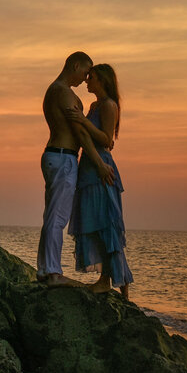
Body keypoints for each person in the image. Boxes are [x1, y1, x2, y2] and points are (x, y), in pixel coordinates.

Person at [38, 52, 114, 286]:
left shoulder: (53, 90)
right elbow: (80, 133)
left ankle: (45, 270)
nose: (85, 79)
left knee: (51, 215)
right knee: (57, 217)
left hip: (55, 155)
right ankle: (52, 273)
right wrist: (100, 162)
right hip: (63, 157)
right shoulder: (64, 93)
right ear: (75, 65)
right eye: (85, 72)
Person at [67, 63, 133, 299]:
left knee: (106, 224)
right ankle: (116, 284)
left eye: (91, 77)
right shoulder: (95, 105)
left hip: (100, 167)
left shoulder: (108, 105)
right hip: (88, 166)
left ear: (102, 80)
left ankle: (110, 282)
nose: (87, 80)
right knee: (93, 223)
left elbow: (105, 139)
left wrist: (83, 121)